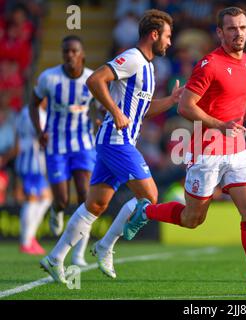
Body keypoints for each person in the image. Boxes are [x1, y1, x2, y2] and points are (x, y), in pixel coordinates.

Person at [123, 7, 246, 296]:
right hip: (206, 150)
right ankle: (146, 210)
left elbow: (239, 97)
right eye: (232, 29)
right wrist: (218, 125)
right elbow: (185, 106)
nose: (239, 34)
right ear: (220, 33)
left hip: (236, 149)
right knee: (193, 219)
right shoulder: (209, 64)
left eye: (243, 28)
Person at [39, 9, 183, 284]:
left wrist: (171, 100)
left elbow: (142, 111)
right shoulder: (132, 58)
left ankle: (55, 258)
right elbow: (95, 80)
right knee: (149, 197)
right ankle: (105, 246)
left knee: (95, 204)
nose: (169, 42)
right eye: (167, 36)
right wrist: (115, 111)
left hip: (118, 142)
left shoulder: (149, 68)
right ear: (154, 35)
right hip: (116, 141)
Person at [29, 35, 96, 266]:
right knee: (62, 199)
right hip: (56, 145)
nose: (69, 55)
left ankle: (78, 255)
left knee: (86, 198)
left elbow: (101, 106)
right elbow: (33, 103)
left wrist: (98, 121)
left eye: (74, 51)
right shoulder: (49, 77)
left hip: (84, 145)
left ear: (82, 54)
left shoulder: (92, 79)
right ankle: (56, 210)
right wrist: (39, 130)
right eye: (66, 51)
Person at [16, 103, 52, 255]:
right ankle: (26, 240)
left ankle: (29, 238)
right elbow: (43, 136)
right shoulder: (36, 114)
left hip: (29, 160)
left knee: (45, 198)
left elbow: (16, 135)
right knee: (32, 200)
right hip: (32, 162)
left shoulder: (24, 111)